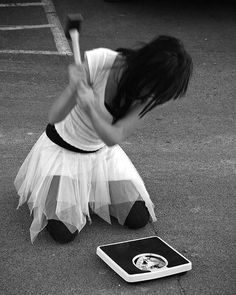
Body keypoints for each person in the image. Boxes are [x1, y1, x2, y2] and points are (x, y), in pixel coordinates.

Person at [14, 35, 193, 244]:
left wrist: (91, 107)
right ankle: (65, 190)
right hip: (63, 152)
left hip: (101, 155)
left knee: (138, 218)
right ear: (144, 69)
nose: (154, 96)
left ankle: (85, 190)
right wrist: (74, 87)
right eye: (154, 87)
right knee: (64, 233)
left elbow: (113, 137)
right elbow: (54, 116)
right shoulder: (101, 62)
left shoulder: (151, 95)